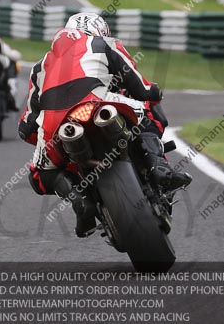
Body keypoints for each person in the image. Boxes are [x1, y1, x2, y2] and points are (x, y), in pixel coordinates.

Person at [18, 13, 192, 237]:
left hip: (56, 123)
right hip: (97, 100)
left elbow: (27, 125)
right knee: (149, 109)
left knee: (38, 175)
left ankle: (78, 201)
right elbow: (138, 83)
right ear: (100, 31)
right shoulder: (104, 44)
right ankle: (160, 170)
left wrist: (40, 137)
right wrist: (151, 92)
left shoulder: (39, 67)